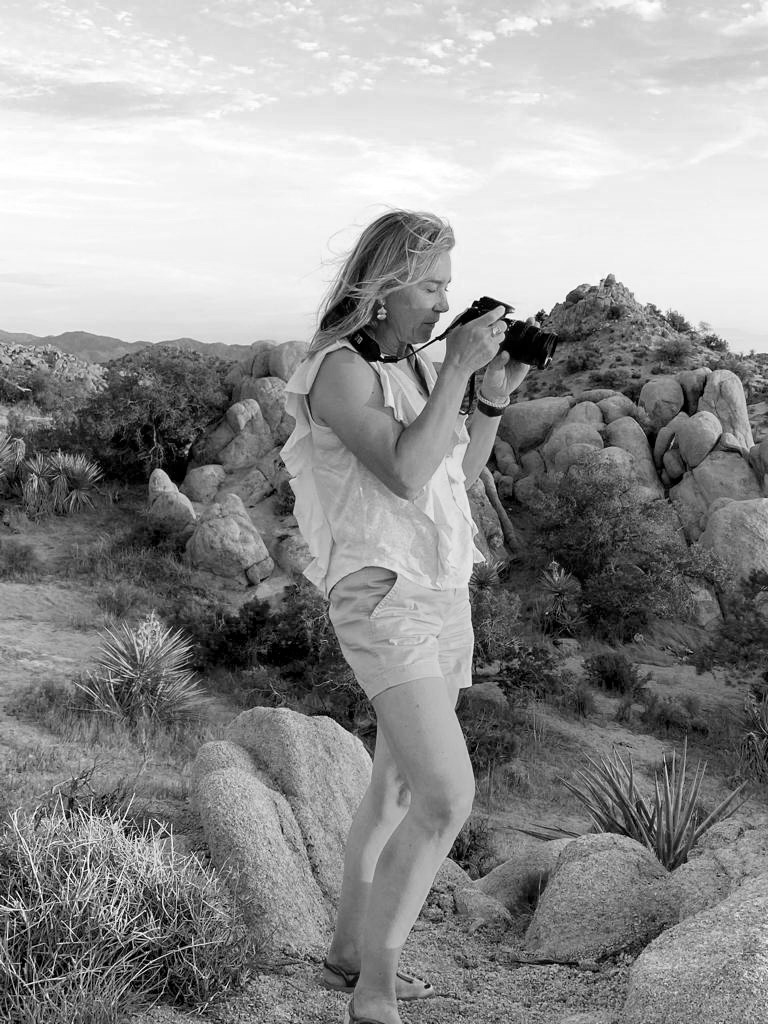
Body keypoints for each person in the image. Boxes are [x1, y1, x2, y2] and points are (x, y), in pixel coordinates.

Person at [281, 209, 529, 1024]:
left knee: (393, 787)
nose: (444, 303)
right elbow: (402, 471)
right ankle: (375, 993)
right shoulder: (338, 371)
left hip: (441, 589)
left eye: (448, 287)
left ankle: (350, 954)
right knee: (446, 797)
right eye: (430, 287)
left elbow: (457, 471)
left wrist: (489, 399)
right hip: (384, 597)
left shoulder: (416, 367)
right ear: (382, 289)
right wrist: (456, 371)